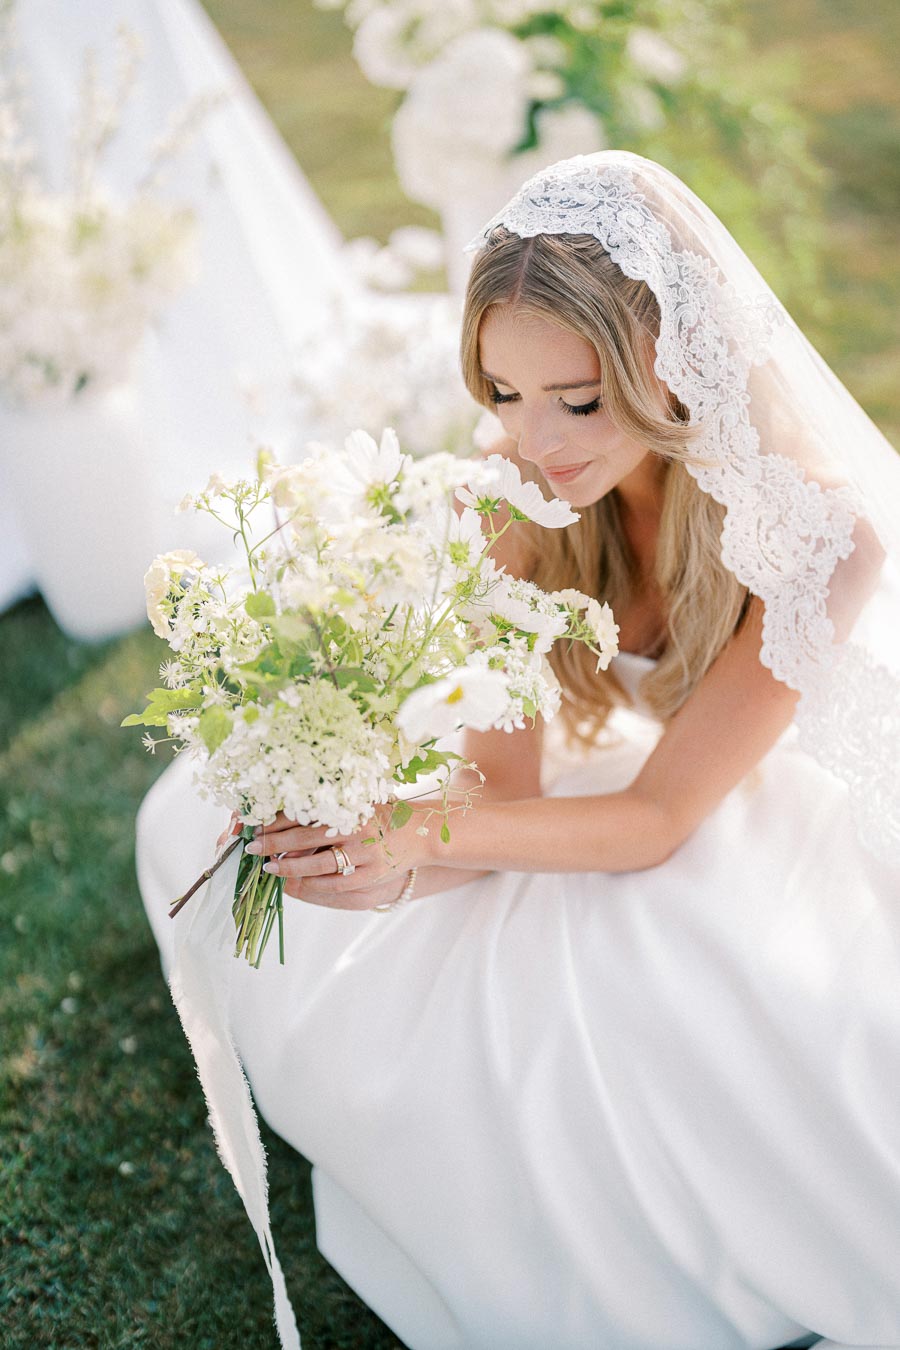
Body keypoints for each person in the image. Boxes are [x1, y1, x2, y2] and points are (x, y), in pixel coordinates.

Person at [137, 151, 900, 1350]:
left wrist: (415, 832)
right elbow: (504, 789)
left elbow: (655, 823)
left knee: (720, 991)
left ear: (674, 364)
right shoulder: (517, 494)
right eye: (501, 391)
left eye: (577, 401)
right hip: (638, 792)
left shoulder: (817, 535)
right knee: (216, 829)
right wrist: (387, 864)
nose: (530, 439)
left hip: (744, 799)